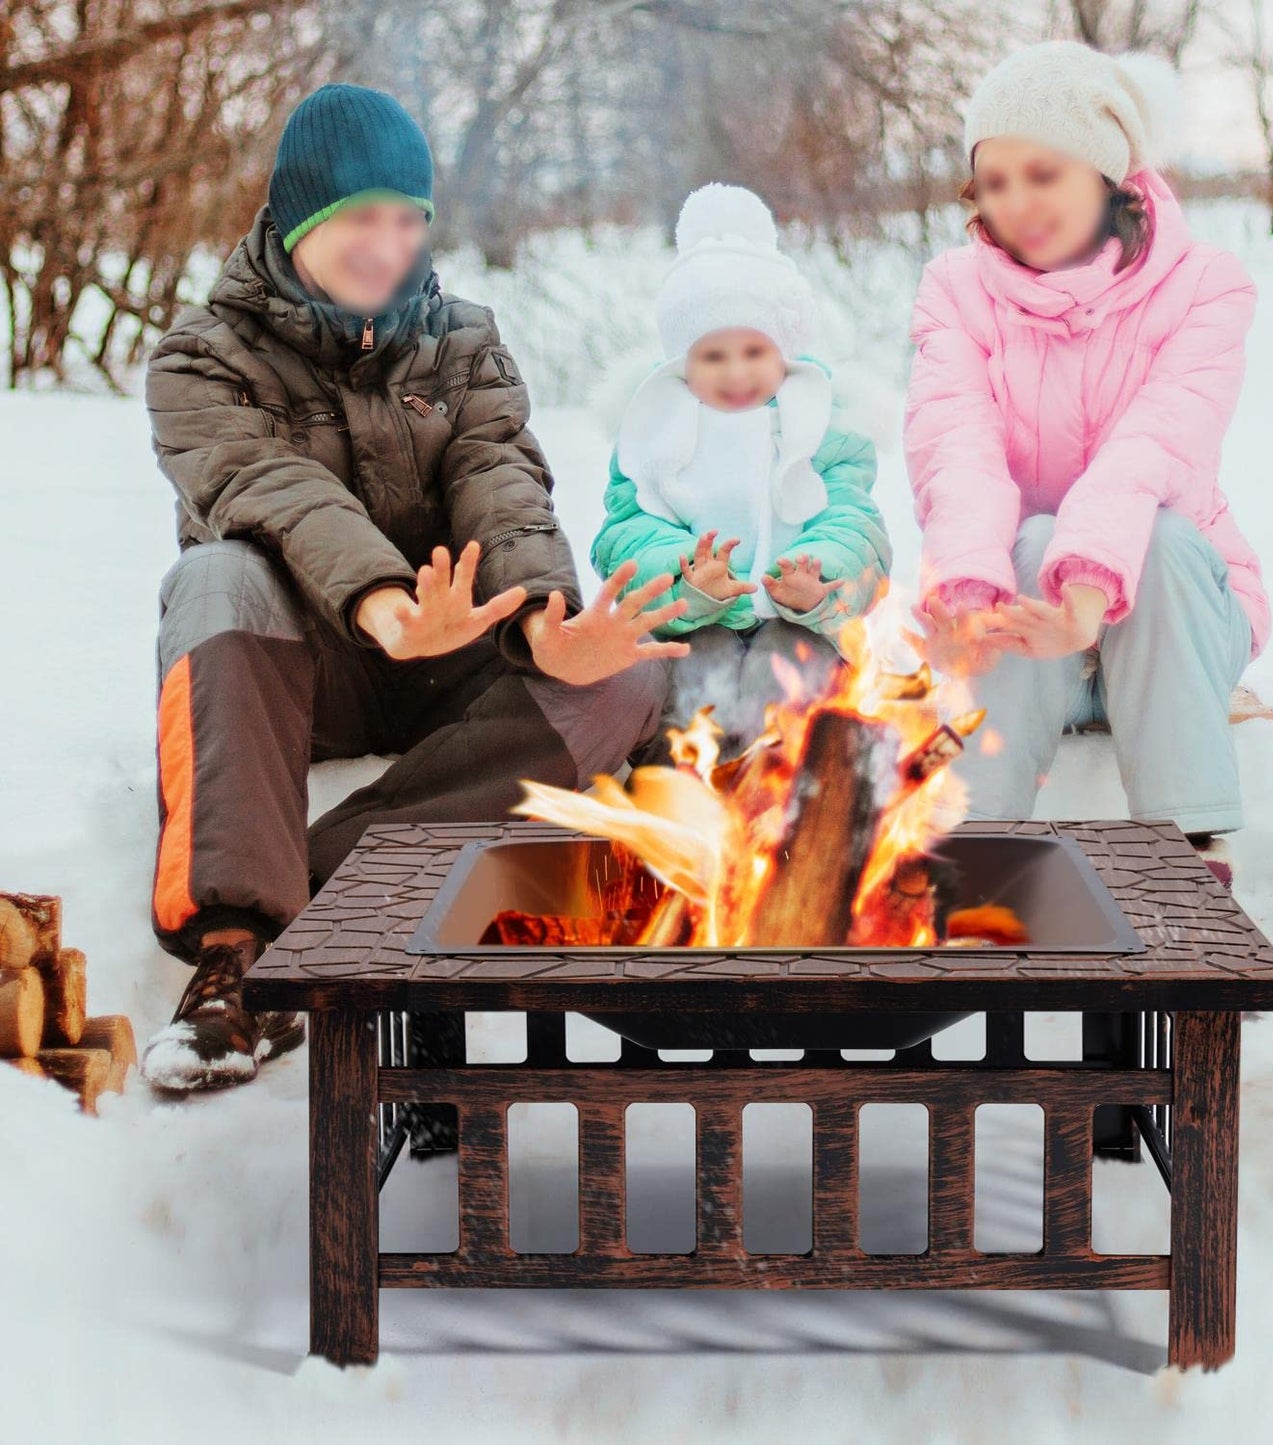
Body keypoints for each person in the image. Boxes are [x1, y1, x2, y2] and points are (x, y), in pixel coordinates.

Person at [140, 84, 685, 1092]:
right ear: (298, 219)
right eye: (356, 217)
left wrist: (541, 619)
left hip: (450, 649)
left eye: (405, 218)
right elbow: (273, 490)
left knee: (625, 684)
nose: (384, 244)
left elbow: (501, 483)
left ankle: (310, 881)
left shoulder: (465, 340)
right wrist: (384, 606)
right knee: (213, 578)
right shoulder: (200, 356)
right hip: (304, 668)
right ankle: (232, 962)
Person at [904, 41, 1269, 887]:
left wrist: (1088, 591)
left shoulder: (1206, 285)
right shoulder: (954, 290)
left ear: (1107, 173)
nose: (1016, 203)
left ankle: (1190, 859)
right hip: (1029, 632)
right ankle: (970, 852)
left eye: (1042, 173)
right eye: (993, 182)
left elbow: (1154, 448)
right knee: (1027, 539)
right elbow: (953, 443)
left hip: (1174, 624)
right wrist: (966, 591)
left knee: (1166, 537)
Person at [591, 184, 892, 764]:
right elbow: (624, 535)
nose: (736, 372)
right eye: (712, 355)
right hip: (689, 625)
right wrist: (685, 578)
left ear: (784, 350)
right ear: (684, 361)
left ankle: (785, 802)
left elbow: (855, 522)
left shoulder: (822, 424)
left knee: (790, 680)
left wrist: (820, 578)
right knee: (690, 690)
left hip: (800, 622)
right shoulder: (654, 430)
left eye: (754, 351)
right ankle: (676, 809)